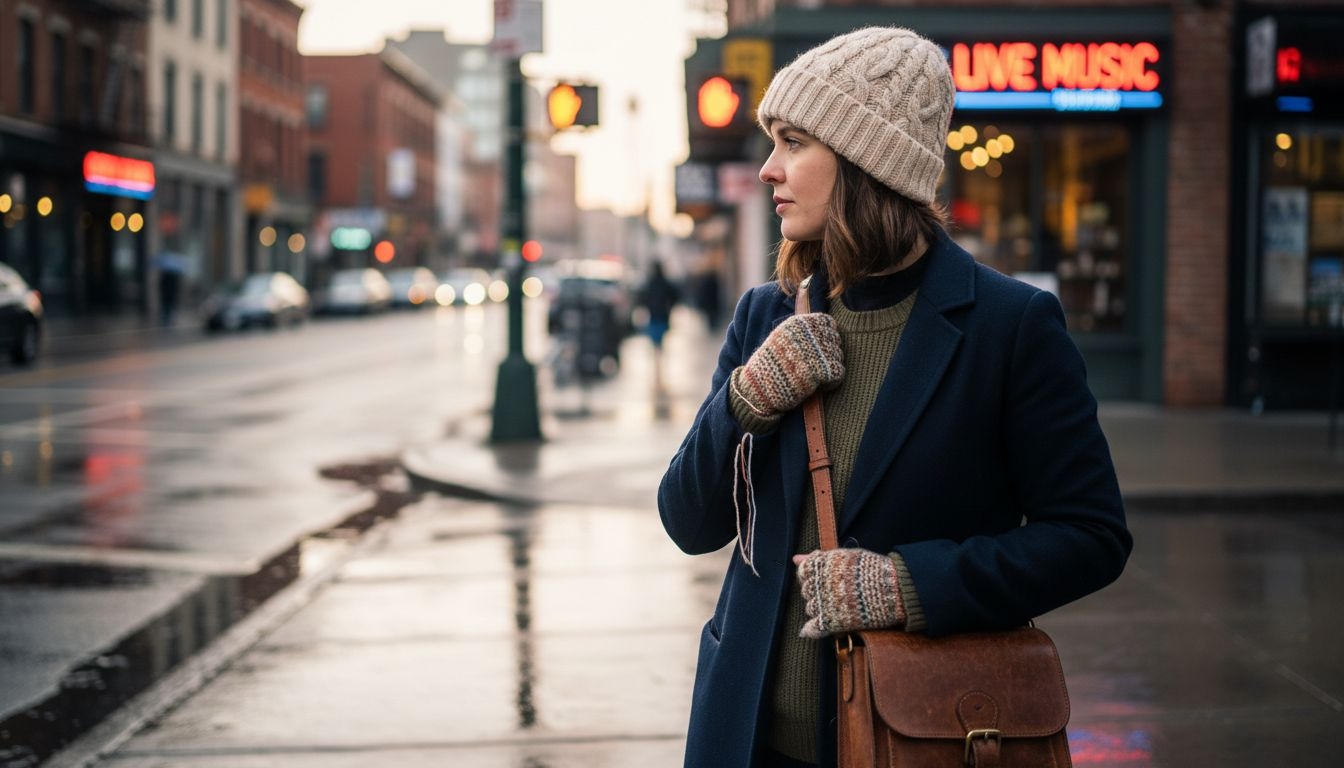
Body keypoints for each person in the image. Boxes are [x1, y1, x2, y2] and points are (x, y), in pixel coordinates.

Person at [657, 27, 1132, 768]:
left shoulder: (1007, 327)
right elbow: (688, 520)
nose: (768, 171)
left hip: (917, 735)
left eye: (793, 143)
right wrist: (743, 401)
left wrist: (910, 583)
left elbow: (1091, 536)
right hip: (746, 737)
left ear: (863, 159)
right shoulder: (765, 315)